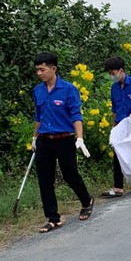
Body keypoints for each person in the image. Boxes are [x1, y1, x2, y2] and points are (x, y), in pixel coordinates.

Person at [31, 52, 94, 233]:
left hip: (64, 139)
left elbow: (76, 115)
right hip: (44, 140)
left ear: (53, 69)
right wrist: (34, 137)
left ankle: (86, 200)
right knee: (45, 179)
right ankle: (53, 218)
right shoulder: (38, 91)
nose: (39, 73)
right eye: (37, 70)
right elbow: (38, 116)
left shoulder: (68, 89)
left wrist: (79, 138)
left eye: (42, 69)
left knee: (70, 174)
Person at [102, 57, 131, 196]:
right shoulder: (114, 88)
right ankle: (118, 187)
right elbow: (114, 110)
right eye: (110, 73)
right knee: (118, 153)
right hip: (121, 124)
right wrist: (113, 128)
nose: (112, 76)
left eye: (113, 72)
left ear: (121, 71)